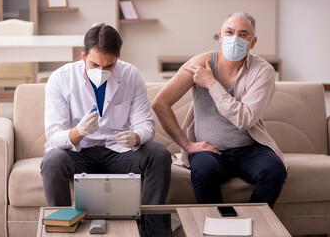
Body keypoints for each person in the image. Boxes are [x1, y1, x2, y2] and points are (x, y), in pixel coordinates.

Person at [152, 12, 287, 208]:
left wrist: (211, 84)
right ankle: (217, 227)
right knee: (204, 171)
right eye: (230, 32)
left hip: (249, 148)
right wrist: (188, 145)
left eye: (243, 34)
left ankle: (255, 224)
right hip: (209, 150)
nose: (235, 39)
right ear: (221, 35)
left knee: (275, 170)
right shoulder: (199, 64)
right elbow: (160, 103)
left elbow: (244, 119)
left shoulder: (263, 71)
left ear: (253, 42)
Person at [40, 23, 171, 208]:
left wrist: (135, 137)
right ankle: (63, 227)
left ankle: (151, 229)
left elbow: (146, 126)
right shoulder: (61, 79)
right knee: (52, 161)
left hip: (120, 154)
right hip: (80, 154)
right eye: (94, 64)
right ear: (83, 56)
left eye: (109, 66)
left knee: (159, 155)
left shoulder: (131, 76)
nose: (100, 71)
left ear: (117, 60)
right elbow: (53, 136)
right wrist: (79, 131)